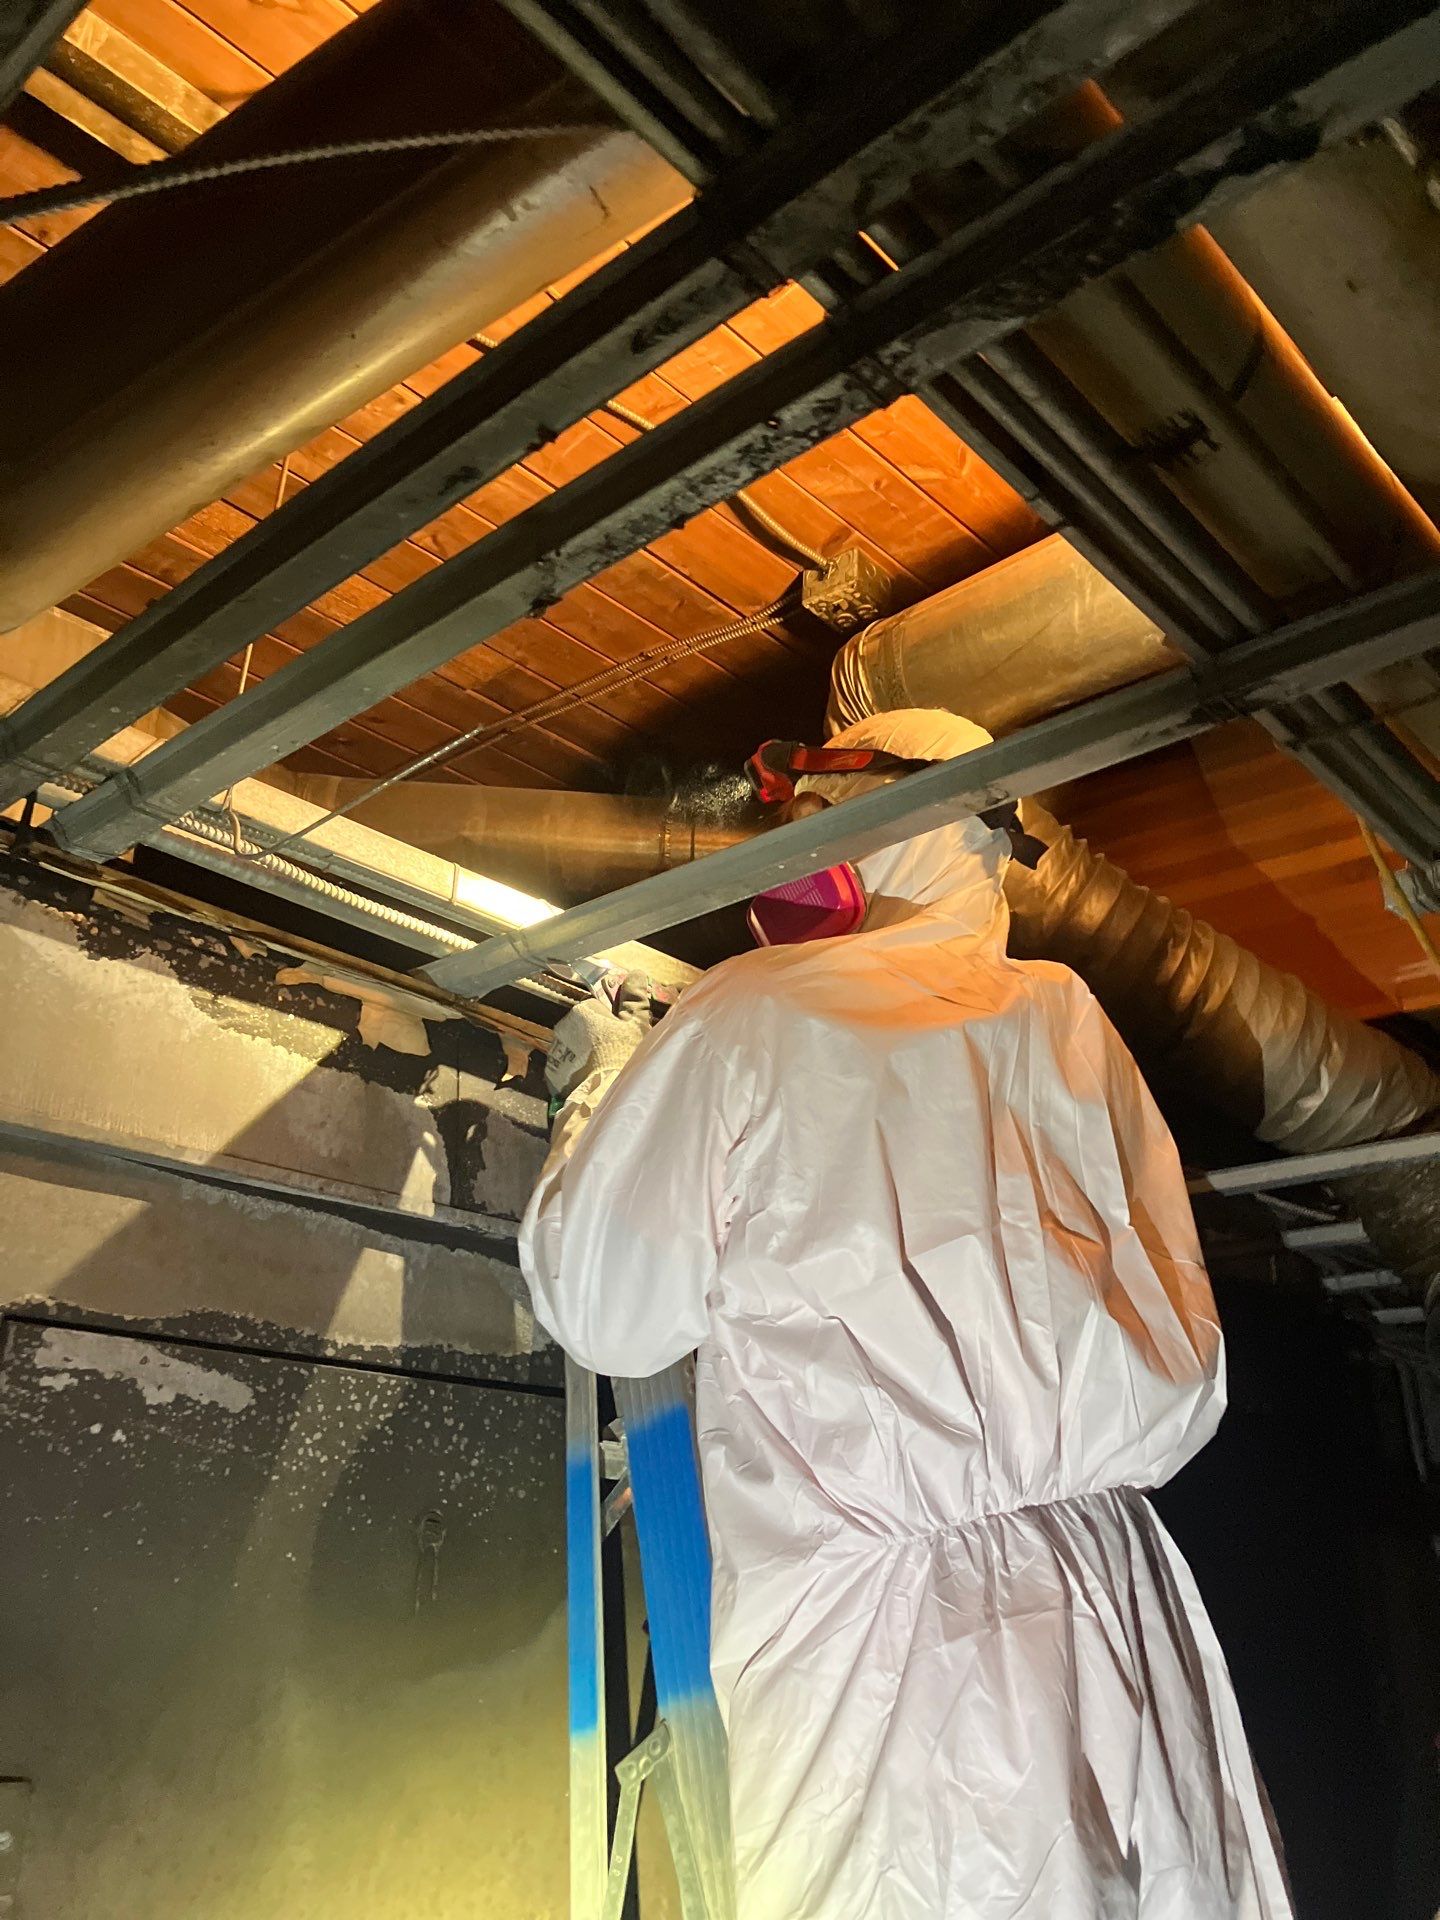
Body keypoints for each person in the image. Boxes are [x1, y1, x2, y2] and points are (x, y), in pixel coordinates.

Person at [520, 708, 1292, 1919]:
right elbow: (1184, 1335)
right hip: (1120, 1590)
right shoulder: (1072, 1019)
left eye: (814, 812)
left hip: (889, 1645)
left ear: (878, 827)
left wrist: (601, 1092)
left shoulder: (752, 1011)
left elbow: (606, 1311)